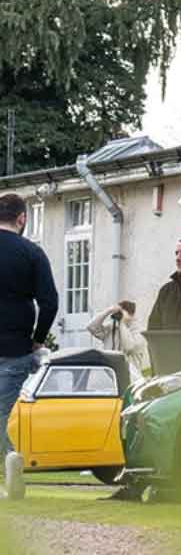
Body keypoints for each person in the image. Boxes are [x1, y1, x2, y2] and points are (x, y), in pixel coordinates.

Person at [0, 194, 57, 460]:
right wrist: (38, 339)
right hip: (15, 348)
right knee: (3, 412)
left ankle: (8, 464)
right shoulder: (32, 253)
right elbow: (49, 303)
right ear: (22, 218)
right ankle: (9, 465)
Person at [87, 300, 151, 380]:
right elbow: (91, 327)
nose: (119, 315)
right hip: (110, 375)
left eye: (121, 313)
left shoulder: (140, 332)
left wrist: (122, 323)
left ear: (131, 315)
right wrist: (108, 311)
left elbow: (129, 347)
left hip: (130, 378)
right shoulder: (112, 327)